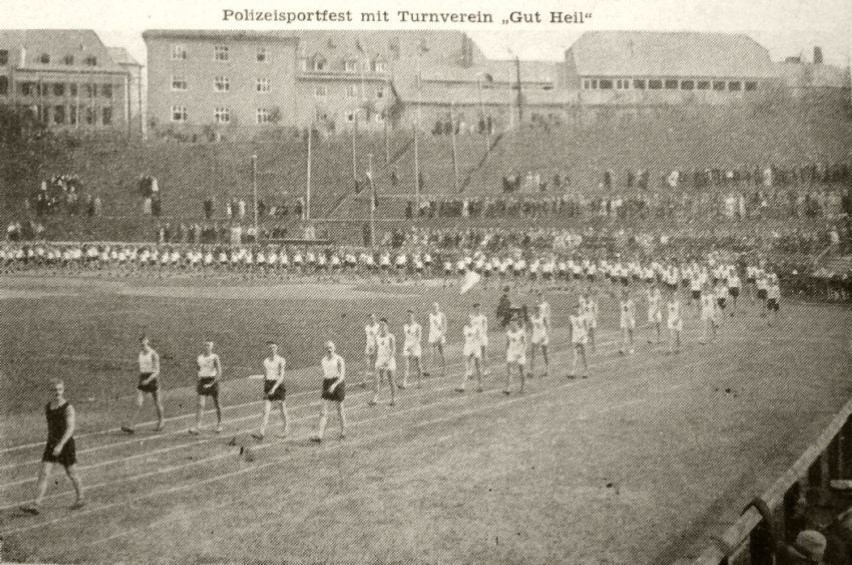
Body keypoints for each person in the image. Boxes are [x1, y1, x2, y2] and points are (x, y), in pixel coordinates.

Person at [20, 380, 85, 514]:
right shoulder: (48, 407)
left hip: (66, 445)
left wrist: (60, 445)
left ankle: (81, 498)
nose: (57, 392)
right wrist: (53, 444)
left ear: (63, 390)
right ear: (50, 391)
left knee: (71, 473)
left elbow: (70, 428)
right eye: (54, 390)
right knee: (44, 473)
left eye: (60, 389)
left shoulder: (68, 408)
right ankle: (35, 504)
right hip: (51, 444)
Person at [121, 335, 165, 434]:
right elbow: (141, 369)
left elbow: (157, 371)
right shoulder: (140, 354)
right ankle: (131, 425)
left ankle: (161, 421)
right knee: (138, 402)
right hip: (143, 379)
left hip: (152, 379)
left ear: (147, 342)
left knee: (157, 402)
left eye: (143, 343)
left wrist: (148, 380)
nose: (142, 345)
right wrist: (141, 379)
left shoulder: (154, 354)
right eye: (140, 343)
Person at [252, 341, 289, 440]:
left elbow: (281, 377)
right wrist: (266, 390)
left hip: (278, 386)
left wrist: (274, 388)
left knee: (282, 409)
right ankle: (261, 433)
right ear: (268, 350)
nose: (272, 349)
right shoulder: (265, 361)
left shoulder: (281, 360)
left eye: (274, 347)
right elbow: (265, 376)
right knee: (265, 410)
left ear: (276, 348)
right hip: (269, 385)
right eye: (270, 348)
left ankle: (285, 430)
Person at [311, 342, 347, 442]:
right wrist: (327, 385)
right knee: (323, 411)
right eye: (327, 348)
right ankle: (319, 435)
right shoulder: (323, 360)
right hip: (327, 383)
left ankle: (343, 432)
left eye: (330, 347)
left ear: (334, 348)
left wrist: (334, 385)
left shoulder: (339, 359)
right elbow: (326, 374)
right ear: (325, 349)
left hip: (338, 383)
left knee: (340, 409)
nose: (329, 349)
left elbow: (342, 376)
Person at [189, 340, 223, 434]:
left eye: (208, 345)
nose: (206, 347)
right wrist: (199, 380)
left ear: (212, 346)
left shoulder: (214, 357)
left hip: (212, 381)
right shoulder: (199, 358)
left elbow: (219, 372)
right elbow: (198, 370)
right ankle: (197, 426)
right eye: (205, 345)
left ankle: (219, 424)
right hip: (202, 381)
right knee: (200, 404)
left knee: (217, 403)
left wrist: (212, 383)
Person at [370, 319, 397, 406]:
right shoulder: (377, 337)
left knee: (391, 381)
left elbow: (393, 350)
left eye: (384, 325)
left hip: (389, 360)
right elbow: (377, 349)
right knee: (376, 380)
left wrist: (388, 360)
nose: (382, 326)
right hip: (380, 360)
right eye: (380, 325)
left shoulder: (391, 337)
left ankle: (393, 399)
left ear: (387, 326)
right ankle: (375, 399)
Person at [457, 313, 484, 393]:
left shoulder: (477, 328)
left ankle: (480, 385)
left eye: (470, 319)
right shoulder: (465, 328)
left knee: (478, 368)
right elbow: (467, 338)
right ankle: (462, 386)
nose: (469, 321)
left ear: (473, 320)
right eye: (468, 319)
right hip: (468, 348)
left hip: (476, 348)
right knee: (466, 367)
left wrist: (476, 344)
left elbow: (479, 338)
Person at [503, 317, 527, 394]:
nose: (512, 325)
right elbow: (507, 343)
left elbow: (525, 344)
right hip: (511, 352)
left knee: (521, 370)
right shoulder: (508, 332)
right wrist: (506, 352)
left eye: (513, 324)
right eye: (511, 324)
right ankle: (508, 389)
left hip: (520, 352)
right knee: (509, 371)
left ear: (517, 324)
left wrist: (521, 352)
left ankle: (523, 388)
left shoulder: (521, 332)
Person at [401, 310, 423, 389]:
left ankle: (419, 382)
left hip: (415, 347)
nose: (409, 317)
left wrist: (412, 347)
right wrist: (408, 347)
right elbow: (407, 337)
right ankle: (404, 383)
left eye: (410, 315)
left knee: (418, 366)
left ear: (413, 316)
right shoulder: (405, 326)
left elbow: (419, 338)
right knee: (406, 366)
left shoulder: (417, 326)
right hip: (407, 347)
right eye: (407, 315)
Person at [528, 303, 550, 378]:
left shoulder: (543, 317)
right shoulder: (532, 318)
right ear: (534, 311)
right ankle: (531, 371)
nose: (537, 312)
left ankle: (547, 370)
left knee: (545, 354)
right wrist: (532, 333)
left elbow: (547, 327)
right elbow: (531, 327)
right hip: (535, 337)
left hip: (543, 337)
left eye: (538, 310)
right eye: (536, 310)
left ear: (540, 311)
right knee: (533, 354)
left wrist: (545, 336)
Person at [568, 303, 589, 378]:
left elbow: (587, 328)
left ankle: (586, 371)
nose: (576, 310)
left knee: (584, 355)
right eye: (574, 308)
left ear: (580, 309)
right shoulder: (571, 317)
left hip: (582, 338)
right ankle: (572, 372)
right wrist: (570, 338)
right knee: (574, 356)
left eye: (577, 308)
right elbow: (570, 328)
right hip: (575, 338)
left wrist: (584, 336)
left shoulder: (583, 317)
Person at [427, 302, 447, 377]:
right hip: (432, 337)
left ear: (438, 307)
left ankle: (444, 369)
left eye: (436, 307)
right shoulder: (430, 315)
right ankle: (428, 370)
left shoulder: (442, 316)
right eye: (433, 307)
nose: (434, 309)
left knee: (442, 354)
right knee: (431, 353)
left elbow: (445, 329)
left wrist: (441, 336)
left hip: (440, 337)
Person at [471, 303, 490, 376]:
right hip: (475, 339)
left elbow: (485, 328)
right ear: (474, 309)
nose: (478, 309)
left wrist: (480, 335)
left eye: (479, 308)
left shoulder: (483, 317)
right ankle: (471, 371)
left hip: (482, 338)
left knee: (484, 353)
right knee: (473, 355)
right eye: (476, 308)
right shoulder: (472, 318)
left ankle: (486, 370)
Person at [363, 314, 380, 383]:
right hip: (368, 347)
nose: (371, 319)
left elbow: (379, 338)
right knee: (367, 364)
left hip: (376, 347)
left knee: (376, 365)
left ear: (375, 318)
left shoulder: (378, 327)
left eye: (372, 318)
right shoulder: (367, 327)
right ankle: (364, 380)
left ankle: (378, 379)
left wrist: (375, 347)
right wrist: (367, 345)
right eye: (370, 318)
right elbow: (366, 337)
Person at [619, 289, 636, 355]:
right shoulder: (621, 303)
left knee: (631, 335)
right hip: (623, 320)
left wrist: (632, 319)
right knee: (624, 334)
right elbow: (622, 312)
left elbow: (633, 311)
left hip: (630, 320)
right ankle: (623, 348)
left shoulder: (631, 303)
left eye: (626, 295)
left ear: (627, 295)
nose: (624, 296)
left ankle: (632, 348)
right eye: (623, 295)